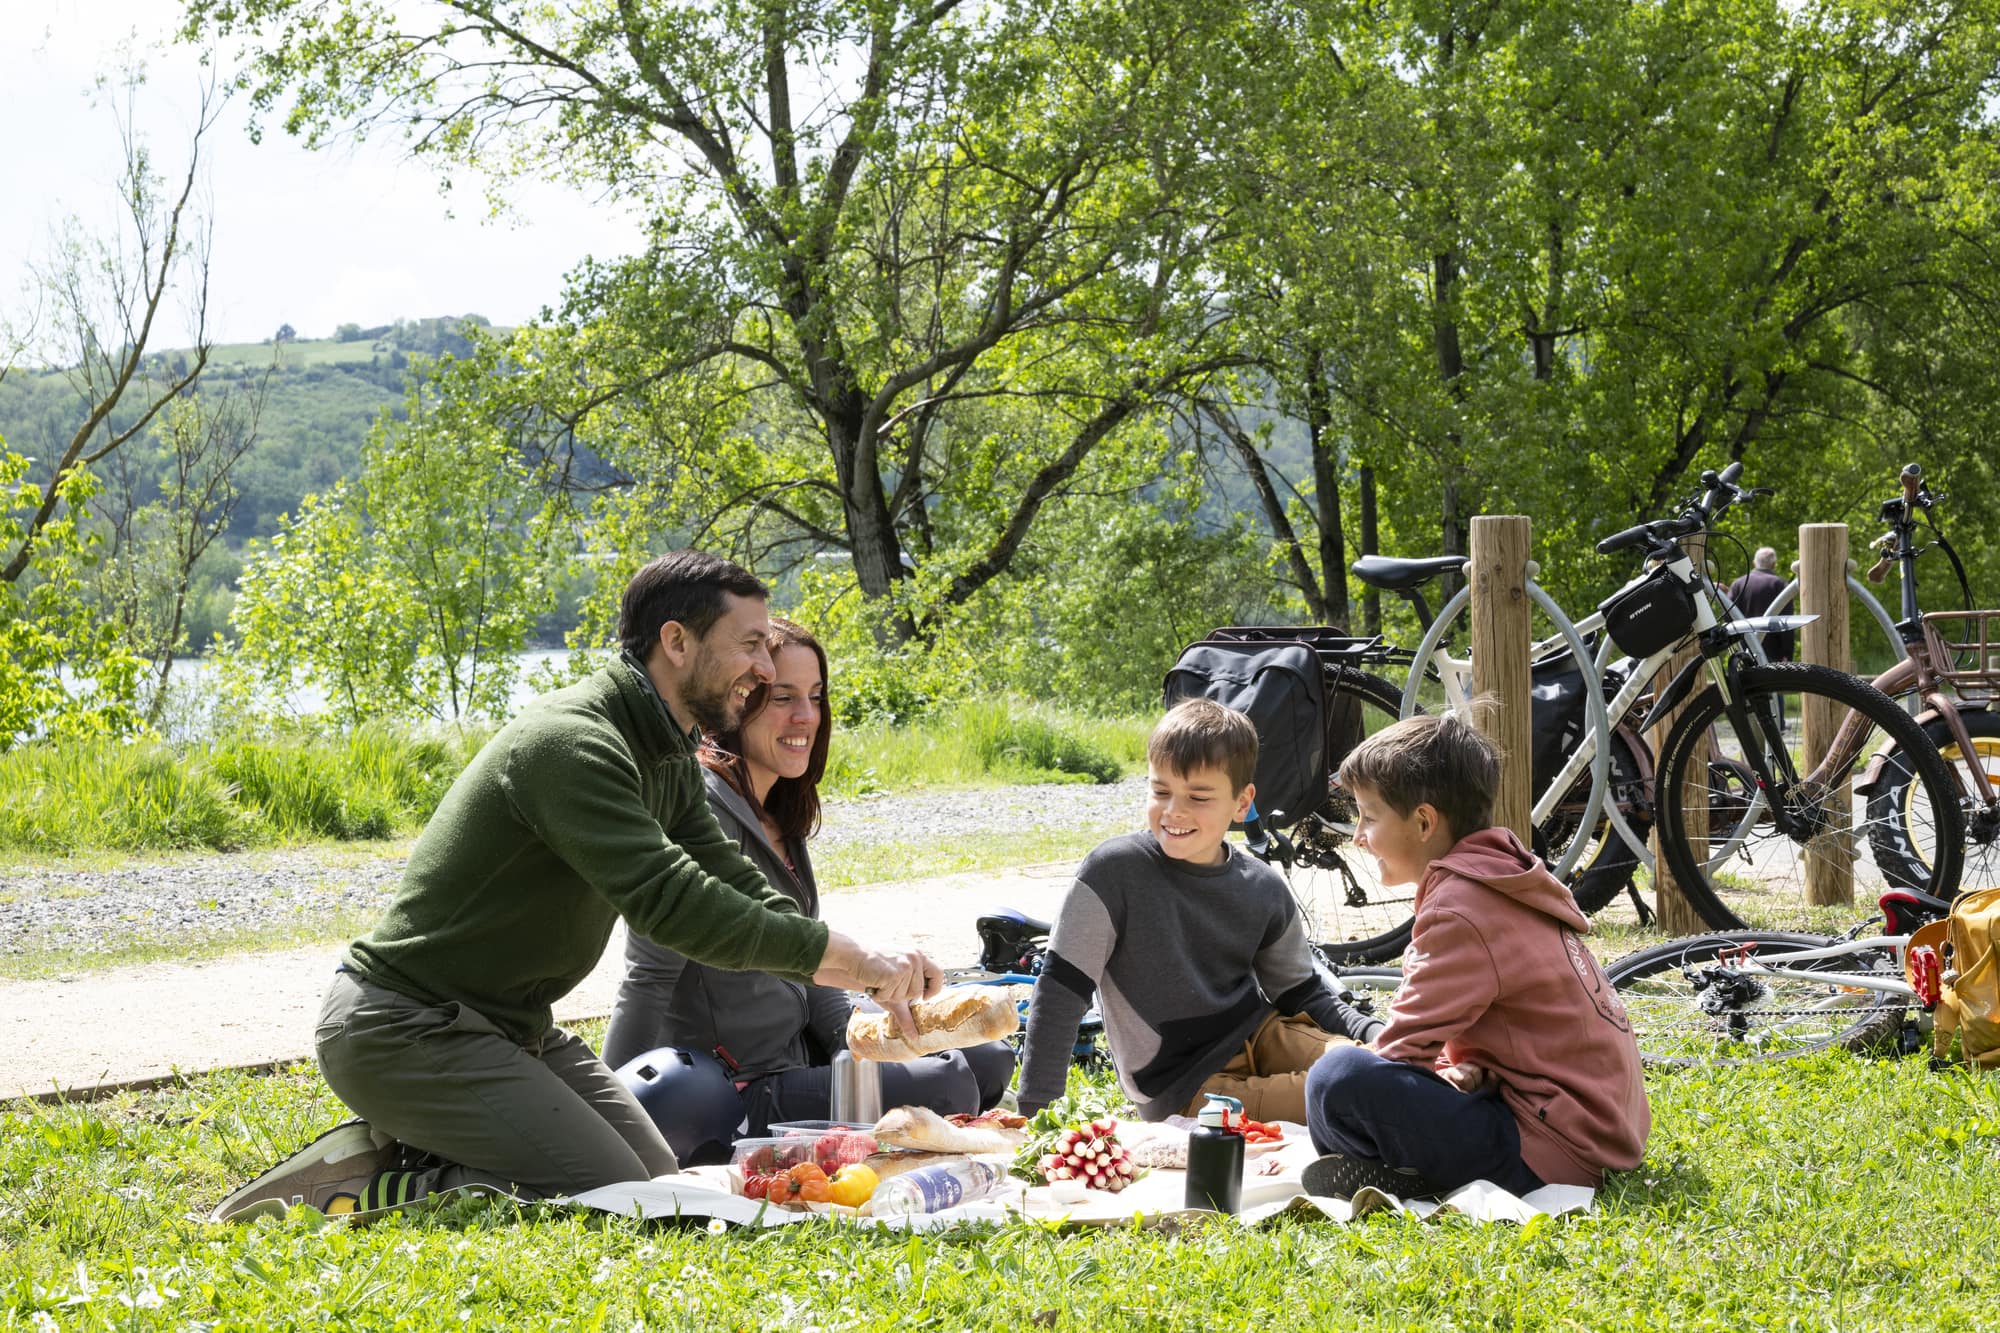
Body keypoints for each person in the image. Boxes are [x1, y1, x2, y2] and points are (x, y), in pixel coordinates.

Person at [211, 552, 939, 1221]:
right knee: (611, 1196)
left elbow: (735, 879)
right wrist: (856, 961)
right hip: (404, 1027)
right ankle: (371, 1181)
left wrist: (863, 968)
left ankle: (430, 1139)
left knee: (656, 1182)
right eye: (749, 643)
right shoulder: (575, 744)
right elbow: (678, 903)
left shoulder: (668, 756)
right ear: (677, 642)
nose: (763, 663)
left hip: (507, 1028)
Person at [601, 617, 1014, 1139]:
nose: (806, 716)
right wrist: (612, 1110)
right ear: (737, 699)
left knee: (989, 1056)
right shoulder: (697, 811)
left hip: (800, 1055)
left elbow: (807, 962)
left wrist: (860, 1041)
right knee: (948, 1081)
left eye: (816, 696)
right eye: (782, 697)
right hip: (738, 1086)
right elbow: (646, 978)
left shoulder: (781, 812)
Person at [1299, 710, 1650, 1202]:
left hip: (1551, 1152)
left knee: (1335, 1080)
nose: (1357, 835)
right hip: (1595, 1131)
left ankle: (1400, 1175)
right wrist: (1453, 1070)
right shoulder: (1499, 874)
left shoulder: (1459, 910)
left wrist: (1419, 1072)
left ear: (1423, 822)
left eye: (1369, 816)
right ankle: (1404, 1168)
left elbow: (1400, 1051)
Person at [1014, 699, 1382, 1124]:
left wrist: (1373, 1034)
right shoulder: (1111, 873)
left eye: (1199, 796)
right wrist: (1036, 1116)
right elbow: (1061, 992)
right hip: (1185, 1087)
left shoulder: (1262, 886)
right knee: (1352, 1090)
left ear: (1242, 804)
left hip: (1260, 1035)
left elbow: (1301, 992)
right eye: (1161, 791)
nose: (1174, 811)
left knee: (1379, 1066)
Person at [1727, 546, 1795, 662]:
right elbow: (1787, 623)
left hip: (1743, 651)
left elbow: (1727, 616)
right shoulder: (1780, 585)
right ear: (1774, 564)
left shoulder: (1738, 584)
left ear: (1754, 563)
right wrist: (1787, 653)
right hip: (1773, 654)